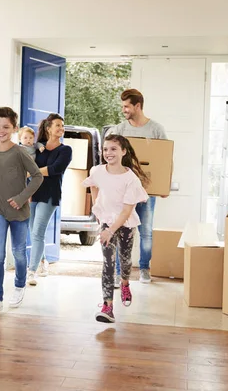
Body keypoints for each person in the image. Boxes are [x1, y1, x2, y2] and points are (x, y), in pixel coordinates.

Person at [0, 107, 43, 319]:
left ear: (14, 129)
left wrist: (22, 198)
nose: (1, 130)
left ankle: (19, 284)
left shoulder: (20, 153)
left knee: (18, 252)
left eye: (6, 127)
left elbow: (37, 176)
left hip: (18, 210)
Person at [82, 134, 149, 323]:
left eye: (113, 149)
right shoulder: (97, 170)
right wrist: (98, 210)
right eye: (105, 149)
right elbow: (92, 185)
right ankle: (107, 306)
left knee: (125, 261)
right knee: (108, 264)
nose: (108, 153)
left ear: (123, 151)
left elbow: (127, 211)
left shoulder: (131, 179)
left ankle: (125, 282)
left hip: (125, 223)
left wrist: (110, 230)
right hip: (106, 221)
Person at [106, 88, 168, 286]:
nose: (123, 110)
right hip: (123, 191)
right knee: (120, 230)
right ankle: (118, 273)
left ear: (138, 106)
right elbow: (110, 158)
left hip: (147, 191)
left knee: (146, 231)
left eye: (127, 106)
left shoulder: (156, 129)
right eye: (122, 106)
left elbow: (165, 159)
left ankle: (144, 269)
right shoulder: (119, 130)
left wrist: (164, 185)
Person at [27, 113, 72, 285]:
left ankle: (31, 272)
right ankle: (43, 262)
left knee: (38, 232)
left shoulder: (65, 150)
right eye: (58, 125)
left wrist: (33, 173)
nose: (61, 128)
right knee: (33, 232)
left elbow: (55, 169)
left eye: (62, 125)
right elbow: (27, 162)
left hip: (50, 194)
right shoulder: (39, 147)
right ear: (48, 128)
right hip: (33, 192)